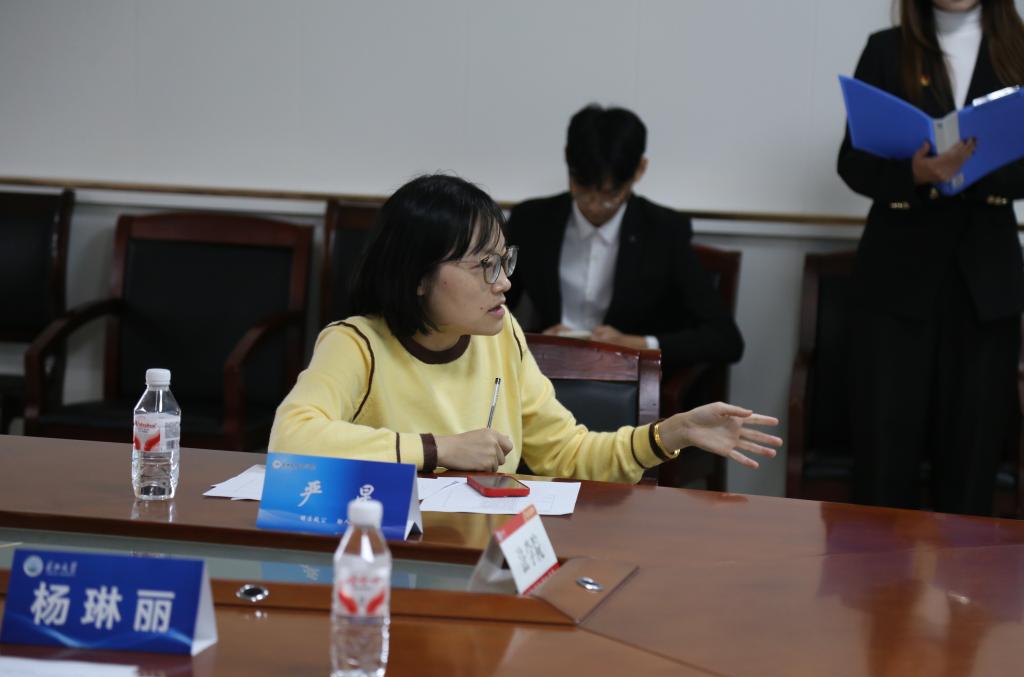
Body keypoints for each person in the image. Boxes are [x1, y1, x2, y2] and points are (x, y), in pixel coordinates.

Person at [269, 174, 780, 482]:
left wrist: (671, 433)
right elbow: (290, 439)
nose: (505, 283)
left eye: (504, 260)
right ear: (418, 278)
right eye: (484, 266)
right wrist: (438, 448)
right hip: (383, 557)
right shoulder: (357, 343)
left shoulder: (501, 335)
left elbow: (566, 453)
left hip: (477, 555)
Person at [838, 0, 1024, 514]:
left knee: (972, 456)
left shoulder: (1019, 50)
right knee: (882, 454)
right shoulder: (886, 49)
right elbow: (852, 163)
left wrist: (973, 168)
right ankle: (876, 569)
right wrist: (915, 175)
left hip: (985, 282)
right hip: (896, 279)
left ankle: (965, 573)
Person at [505, 104, 743, 376]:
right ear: (567, 161)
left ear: (640, 169)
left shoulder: (663, 231)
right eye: (582, 189)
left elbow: (725, 339)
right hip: (546, 374)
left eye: (611, 194)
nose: (594, 204)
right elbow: (489, 308)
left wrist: (638, 345)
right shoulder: (531, 221)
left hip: (626, 379)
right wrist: (535, 342)